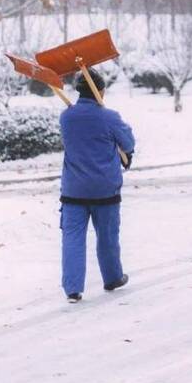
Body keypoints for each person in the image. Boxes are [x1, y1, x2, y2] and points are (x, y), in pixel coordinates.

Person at [59, 67, 135, 303]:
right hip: (105, 189)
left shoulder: (66, 117)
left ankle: (73, 289)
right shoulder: (109, 117)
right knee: (108, 236)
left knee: (72, 238)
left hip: (73, 190)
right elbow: (128, 143)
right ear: (100, 90)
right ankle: (112, 277)